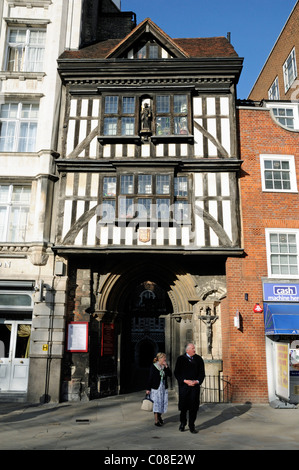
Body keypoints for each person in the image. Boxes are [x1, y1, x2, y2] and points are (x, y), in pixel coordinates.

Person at [174, 343, 205, 434]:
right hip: (184, 387)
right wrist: (184, 381)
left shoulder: (198, 359)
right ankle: (183, 423)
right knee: (183, 407)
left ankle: (192, 425)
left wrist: (197, 381)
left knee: (194, 408)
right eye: (193, 348)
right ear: (187, 350)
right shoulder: (181, 359)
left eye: (194, 348)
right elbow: (177, 373)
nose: (194, 350)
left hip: (194, 388)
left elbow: (202, 373)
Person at [146, 352, 171, 427]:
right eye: (164, 358)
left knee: (162, 403)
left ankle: (159, 416)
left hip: (163, 388)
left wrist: (166, 367)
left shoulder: (164, 366)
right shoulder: (154, 366)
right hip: (156, 388)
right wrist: (148, 388)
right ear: (160, 358)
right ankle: (156, 421)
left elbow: (170, 374)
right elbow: (150, 378)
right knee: (156, 404)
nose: (165, 359)